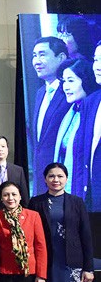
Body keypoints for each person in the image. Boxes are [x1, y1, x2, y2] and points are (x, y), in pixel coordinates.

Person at [30, 37, 70, 195]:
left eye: (42, 54)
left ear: (60, 57)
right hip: (42, 180)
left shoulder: (70, 92)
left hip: (64, 179)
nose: (36, 61)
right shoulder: (40, 93)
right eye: (34, 55)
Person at [52, 59, 98, 193]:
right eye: (64, 81)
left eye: (71, 81)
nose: (66, 86)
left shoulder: (93, 115)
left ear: (86, 80)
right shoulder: (70, 113)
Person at [73, 41, 101, 209]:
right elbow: (81, 153)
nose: (97, 66)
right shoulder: (91, 101)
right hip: (93, 200)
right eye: (96, 60)